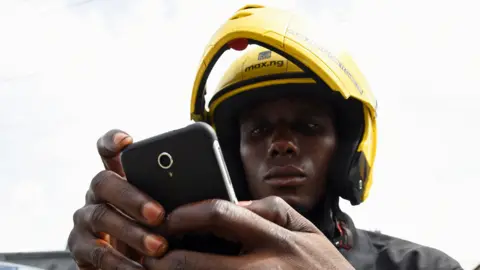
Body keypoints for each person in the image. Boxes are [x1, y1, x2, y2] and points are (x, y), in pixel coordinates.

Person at [67, 5, 463, 270]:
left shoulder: (422, 266)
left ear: (346, 150)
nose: (281, 143)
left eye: (308, 126)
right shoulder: (179, 262)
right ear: (231, 156)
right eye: (258, 130)